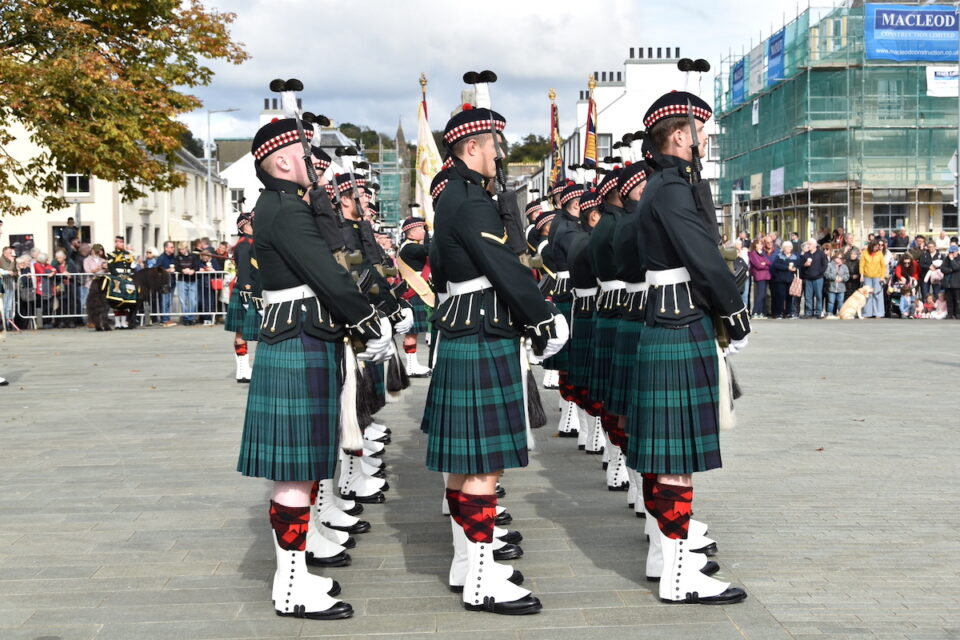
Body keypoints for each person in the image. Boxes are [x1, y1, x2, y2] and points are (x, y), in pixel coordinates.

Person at [236, 115, 388, 621]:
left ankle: (295, 576)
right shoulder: (284, 211)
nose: (311, 164)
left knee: (300, 468)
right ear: (280, 161)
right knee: (294, 473)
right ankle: (291, 584)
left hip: (303, 336)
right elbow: (327, 274)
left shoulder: (283, 208)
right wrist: (368, 318)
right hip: (299, 340)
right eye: (303, 153)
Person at [423, 104, 566, 615]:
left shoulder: (455, 200)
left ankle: (468, 563)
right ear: (470, 148)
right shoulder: (472, 203)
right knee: (483, 464)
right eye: (492, 144)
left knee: (466, 464)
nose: (498, 153)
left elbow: (442, 266)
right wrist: (542, 315)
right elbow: (503, 265)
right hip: (485, 327)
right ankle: (482, 580)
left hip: (466, 325)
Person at [626, 90, 749, 605]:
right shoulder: (672, 189)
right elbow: (702, 255)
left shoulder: (665, 185)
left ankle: (667, 558)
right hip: (681, 322)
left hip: (668, 318)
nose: (706, 138)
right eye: (701, 130)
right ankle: (680, 577)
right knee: (676, 456)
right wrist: (733, 309)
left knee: (666, 454)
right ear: (680, 135)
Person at [224, 212, 260, 383]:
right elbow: (245, 272)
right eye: (253, 222)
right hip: (247, 293)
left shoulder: (247, 243)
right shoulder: (245, 244)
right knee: (244, 333)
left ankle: (244, 370)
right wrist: (246, 297)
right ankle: (243, 370)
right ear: (245, 225)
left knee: (243, 333)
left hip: (249, 292)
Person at [396, 216, 434, 377]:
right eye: (421, 229)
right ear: (411, 232)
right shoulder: (409, 248)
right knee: (412, 332)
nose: (423, 232)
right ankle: (411, 366)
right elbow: (429, 250)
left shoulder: (410, 246)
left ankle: (414, 364)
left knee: (414, 332)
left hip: (418, 290)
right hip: (414, 292)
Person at [770, 240, 800, 319]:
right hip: (780, 279)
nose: (788, 248)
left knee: (789, 297)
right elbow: (776, 265)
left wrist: (794, 268)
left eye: (790, 247)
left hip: (790, 279)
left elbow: (798, 265)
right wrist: (787, 268)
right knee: (780, 297)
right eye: (787, 247)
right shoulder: (779, 256)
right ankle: (778, 313)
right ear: (783, 248)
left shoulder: (795, 256)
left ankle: (789, 313)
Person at [800, 239, 827, 318]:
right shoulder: (806, 254)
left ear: (815, 245)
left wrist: (819, 273)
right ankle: (809, 312)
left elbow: (825, 265)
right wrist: (805, 265)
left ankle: (819, 312)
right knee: (808, 296)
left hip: (818, 278)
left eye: (810, 244)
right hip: (808, 278)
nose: (808, 245)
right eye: (808, 244)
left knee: (819, 296)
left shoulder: (821, 253)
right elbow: (801, 266)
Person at [175, 241, 200, 325]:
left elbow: (197, 266)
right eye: (180, 249)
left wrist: (193, 270)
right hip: (182, 280)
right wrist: (182, 270)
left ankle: (191, 317)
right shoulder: (177, 257)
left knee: (193, 300)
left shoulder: (193, 256)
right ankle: (186, 317)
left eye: (182, 249)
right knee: (183, 300)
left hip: (192, 280)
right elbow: (177, 267)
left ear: (186, 248)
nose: (181, 251)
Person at [860, 240, 887, 318]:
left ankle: (878, 313)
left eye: (877, 246)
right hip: (867, 276)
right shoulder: (865, 253)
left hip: (877, 277)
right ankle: (867, 313)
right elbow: (861, 265)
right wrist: (861, 275)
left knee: (877, 294)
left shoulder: (880, 254)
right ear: (871, 246)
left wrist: (882, 277)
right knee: (867, 294)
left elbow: (883, 266)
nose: (877, 248)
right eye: (875, 246)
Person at [748, 237, 772, 318]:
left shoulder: (762, 253)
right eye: (759, 244)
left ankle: (761, 312)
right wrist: (765, 265)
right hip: (759, 276)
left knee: (764, 295)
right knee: (760, 294)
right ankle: (755, 312)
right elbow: (758, 265)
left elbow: (769, 262)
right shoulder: (753, 254)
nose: (761, 245)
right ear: (755, 245)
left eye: (761, 244)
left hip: (765, 276)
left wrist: (764, 264)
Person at [155, 241, 177, 326]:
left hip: (172, 281)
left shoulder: (173, 257)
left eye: (173, 247)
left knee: (169, 301)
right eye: (171, 247)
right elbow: (157, 269)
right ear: (166, 248)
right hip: (164, 283)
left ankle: (167, 318)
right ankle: (164, 319)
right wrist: (167, 270)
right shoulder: (161, 257)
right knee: (165, 301)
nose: (173, 249)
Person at [941, 244, 960, 319]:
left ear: (957, 252)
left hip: (957, 284)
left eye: (953, 252)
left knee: (957, 300)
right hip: (947, 283)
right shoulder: (946, 259)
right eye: (950, 252)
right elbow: (942, 269)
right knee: (949, 300)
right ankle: (950, 314)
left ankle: (957, 314)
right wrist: (950, 270)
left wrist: (952, 260)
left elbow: (956, 267)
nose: (951, 254)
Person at [0, 246, 16, 329]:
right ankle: (4, 323)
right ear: (5, 253)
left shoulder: (10, 260)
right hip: (4, 285)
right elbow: (8, 270)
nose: (12, 254)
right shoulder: (2, 260)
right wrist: (12, 262)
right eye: (10, 253)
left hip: (10, 285)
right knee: (4, 304)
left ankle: (8, 322)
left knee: (9, 305)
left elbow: (14, 271)